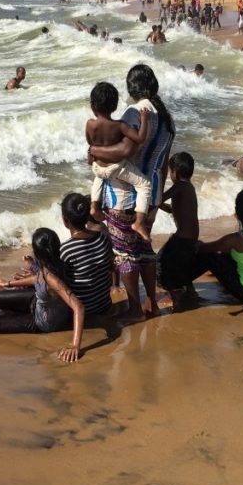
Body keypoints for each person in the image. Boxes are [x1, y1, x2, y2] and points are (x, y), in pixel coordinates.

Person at [88, 64, 176, 321]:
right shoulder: (165, 116)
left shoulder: (134, 112)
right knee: (145, 250)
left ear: (132, 87)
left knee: (125, 253)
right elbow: (164, 160)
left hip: (124, 195)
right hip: (152, 194)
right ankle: (152, 303)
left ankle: (135, 309)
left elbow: (124, 151)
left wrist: (95, 152)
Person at [0, 228, 85, 362]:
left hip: (42, 322)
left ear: (38, 254)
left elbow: (78, 307)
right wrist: (8, 284)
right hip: (37, 302)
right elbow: (37, 278)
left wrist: (75, 345)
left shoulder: (53, 279)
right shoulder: (53, 264)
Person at [85, 81, 153, 242]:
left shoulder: (89, 124)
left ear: (92, 106)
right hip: (116, 167)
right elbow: (140, 138)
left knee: (99, 177)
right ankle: (139, 222)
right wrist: (144, 119)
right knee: (144, 184)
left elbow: (91, 144)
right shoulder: (120, 126)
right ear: (114, 106)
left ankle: (94, 206)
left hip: (97, 166)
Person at [193, 189, 243, 303]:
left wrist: (197, 244)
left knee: (210, 256)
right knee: (228, 253)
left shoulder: (235, 239)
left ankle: (182, 284)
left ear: (237, 213)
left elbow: (205, 249)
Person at [157, 152, 200, 311]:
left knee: (162, 262)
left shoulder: (179, 186)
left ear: (175, 172)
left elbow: (160, 198)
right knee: (183, 264)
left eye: (169, 172)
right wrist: (164, 207)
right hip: (191, 236)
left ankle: (175, 297)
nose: (169, 175)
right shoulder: (189, 187)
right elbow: (180, 210)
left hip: (182, 237)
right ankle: (190, 291)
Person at [58, 192, 114, 317]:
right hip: (104, 304)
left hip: (82, 310)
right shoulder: (102, 239)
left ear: (65, 220)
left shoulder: (66, 249)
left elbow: (58, 282)